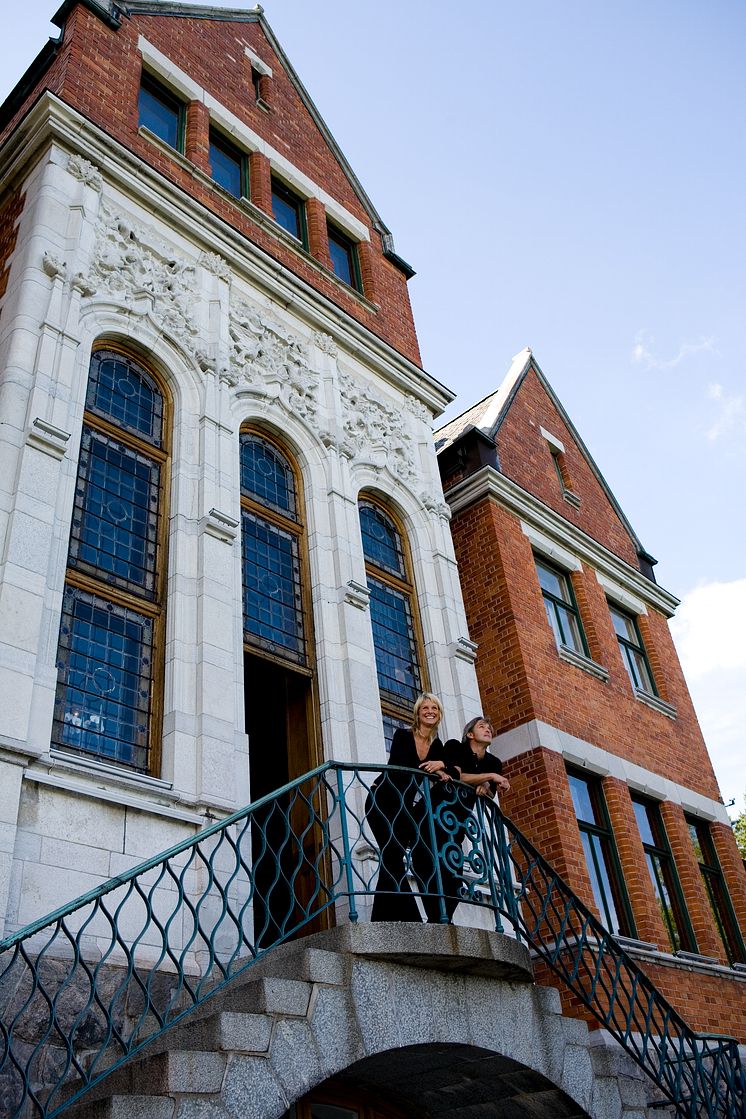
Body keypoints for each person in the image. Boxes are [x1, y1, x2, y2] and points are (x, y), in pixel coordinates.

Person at [365, 693, 460, 922]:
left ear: (439, 715)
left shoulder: (436, 745)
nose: (430, 711)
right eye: (425, 707)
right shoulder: (402, 735)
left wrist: (442, 765)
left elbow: (455, 773)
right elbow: (401, 765)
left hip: (404, 807)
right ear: (417, 713)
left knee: (392, 857)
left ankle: (382, 918)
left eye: (434, 708)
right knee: (392, 855)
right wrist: (436, 770)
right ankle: (409, 919)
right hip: (382, 799)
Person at [436, 716, 511, 919]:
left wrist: (486, 786)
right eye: (482, 726)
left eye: (489, 727)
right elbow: (456, 776)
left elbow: (491, 792)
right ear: (470, 734)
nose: (488, 729)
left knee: (455, 874)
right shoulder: (455, 748)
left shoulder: (493, 762)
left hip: (458, 821)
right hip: (436, 812)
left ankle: (444, 919)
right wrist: (489, 778)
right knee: (434, 865)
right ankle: (439, 918)